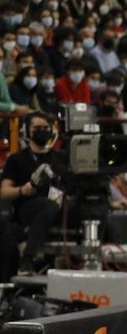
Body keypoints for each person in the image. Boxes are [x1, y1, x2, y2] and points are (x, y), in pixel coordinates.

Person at [0, 111, 68, 274]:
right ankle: (28, 258)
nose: (42, 131)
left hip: (58, 209)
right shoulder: (16, 159)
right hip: (26, 207)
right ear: (27, 131)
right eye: (37, 127)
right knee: (48, 206)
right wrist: (24, 189)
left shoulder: (59, 158)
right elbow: (4, 192)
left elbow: (67, 186)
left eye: (46, 127)